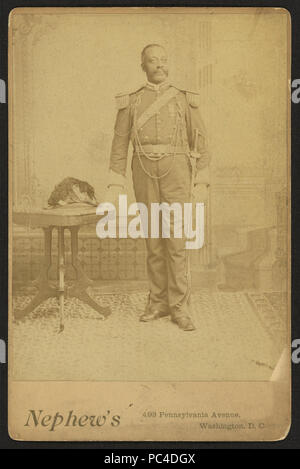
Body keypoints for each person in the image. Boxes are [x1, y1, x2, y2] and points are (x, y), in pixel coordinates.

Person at [106, 44, 210, 331]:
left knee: (176, 240)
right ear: (143, 66)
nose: (160, 65)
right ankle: (157, 302)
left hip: (176, 172)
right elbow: (119, 142)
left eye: (164, 60)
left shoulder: (183, 99)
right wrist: (116, 181)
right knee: (153, 240)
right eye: (153, 61)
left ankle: (179, 307)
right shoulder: (132, 100)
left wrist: (201, 179)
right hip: (143, 172)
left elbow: (200, 141)